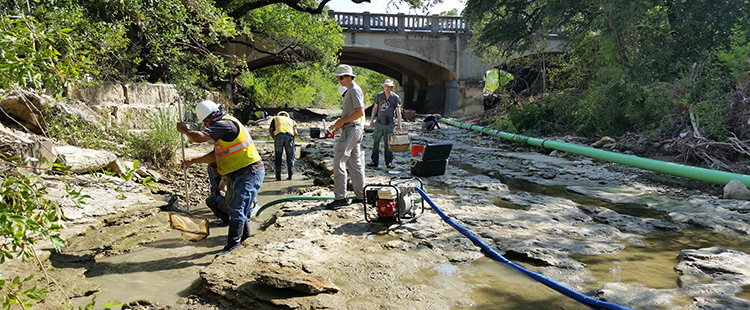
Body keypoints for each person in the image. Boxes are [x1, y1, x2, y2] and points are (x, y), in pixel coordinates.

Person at [176, 100, 265, 257]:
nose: (205, 125)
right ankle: (244, 241)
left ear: (212, 116)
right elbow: (216, 155)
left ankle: (232, 248)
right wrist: (193, 160)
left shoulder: (225, 124)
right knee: (237, 208)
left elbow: (199, 137)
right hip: (239, 173)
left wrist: (185, 130)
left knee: (238, 209)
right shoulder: (223, 129)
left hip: (248, 172)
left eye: (205, 121)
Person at [326, 64, 366, 209]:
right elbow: (352, 114)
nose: (339, 80)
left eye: (341, 77)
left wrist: (342, 121)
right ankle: (361, 196)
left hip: (352, 129)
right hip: (352, 129)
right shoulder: (351, 89)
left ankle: (341, 198)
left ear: (350, 77)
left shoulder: (354, 90)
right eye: (338, 77)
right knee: (354, 165)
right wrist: (339, 124)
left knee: (339, 161)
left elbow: (359, 112)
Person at [368, 79, 402, 169]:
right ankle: (374, 161)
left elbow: (398, 111)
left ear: (391, 87)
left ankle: (389, 162)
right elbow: (375, 108)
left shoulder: (395, 97)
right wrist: (372, 119)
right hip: (379, 123)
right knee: (376, 142)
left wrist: (399, 123)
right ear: (384, 86)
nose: (388, 88)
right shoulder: (379, 96)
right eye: (386, 86)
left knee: (388, 144)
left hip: (390, 123)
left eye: (389, 86)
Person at [268, 111, 298, 180]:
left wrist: (274, 138)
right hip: (289, 137)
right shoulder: (292, 121)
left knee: (278, 156)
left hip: (279, 136)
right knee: (290, 156)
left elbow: (270, 130)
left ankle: (278, 177)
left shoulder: (276, 118)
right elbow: (295, 132)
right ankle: (290, 176)